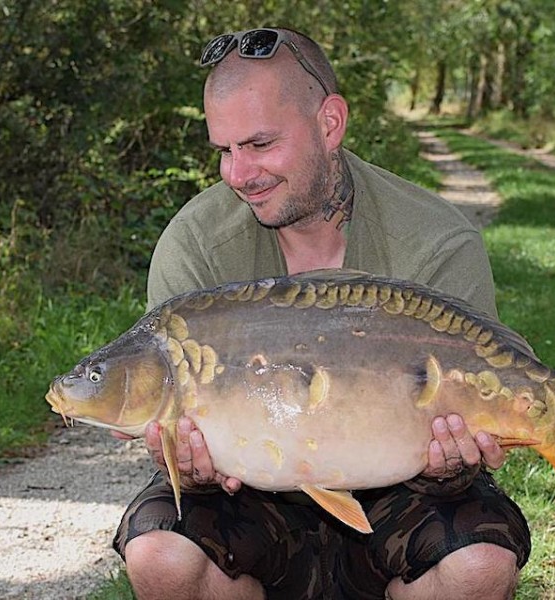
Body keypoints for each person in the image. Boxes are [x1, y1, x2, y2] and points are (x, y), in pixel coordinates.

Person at [112, 27, 531, 599]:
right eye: (224, 151)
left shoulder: (436, 241)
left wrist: (454, 463)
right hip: (253, 498)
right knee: (160, 553)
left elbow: (475, 420)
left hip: (402, 490)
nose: (239, 175)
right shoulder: (195, 244)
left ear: (330, 123)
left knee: (478, 565)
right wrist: (183, 463)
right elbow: (170, 431)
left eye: (260, 145)